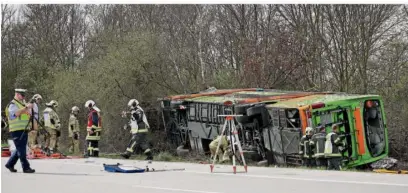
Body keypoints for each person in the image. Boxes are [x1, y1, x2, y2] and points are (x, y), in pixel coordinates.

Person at [4, 88, 35, 173]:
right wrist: (26, 107)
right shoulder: (12, 104)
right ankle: (26, 167)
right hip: (16, 130)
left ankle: (10, 164)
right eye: (22, 95)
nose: (23, 97)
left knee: (19, 149)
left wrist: (28, 109)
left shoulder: (21, 103)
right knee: (22, 150)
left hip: (23, 129)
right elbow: (14, 115)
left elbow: (26, 114)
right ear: (17, 94)